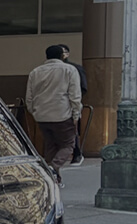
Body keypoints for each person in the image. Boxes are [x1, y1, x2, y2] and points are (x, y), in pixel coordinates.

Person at [26, 44, 82, 175]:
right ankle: (53, 167)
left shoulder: (35, 72)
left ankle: (53, 177)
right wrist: (76, 115)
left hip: (41, 115)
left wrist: (34, 112)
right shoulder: (69, 70)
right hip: (62, 114)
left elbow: (29, 96)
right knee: (68, 145)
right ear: (62, 56)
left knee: (50, 146)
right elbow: (75, 95)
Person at [63, 44, 89, 166]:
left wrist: (75, 100)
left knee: (72, 129)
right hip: (58, 103)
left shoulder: (75, 68)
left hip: (71, 102)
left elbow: (83, 87)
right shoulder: (48, 69)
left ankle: (76, 153)